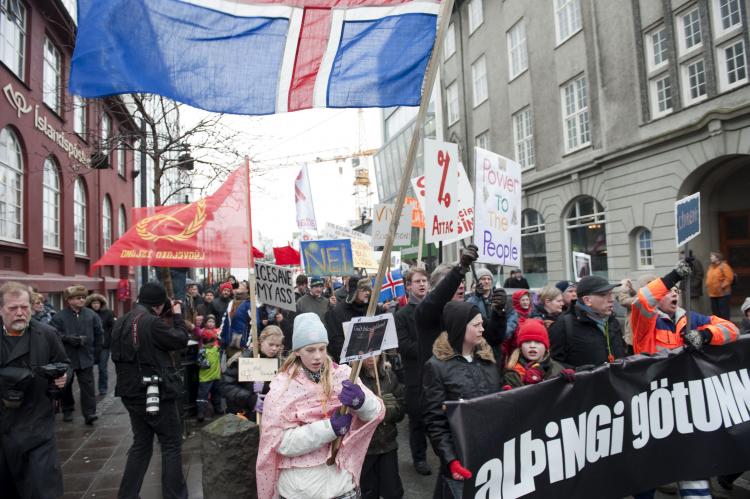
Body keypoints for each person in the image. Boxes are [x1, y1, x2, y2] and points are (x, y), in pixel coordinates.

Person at [630, 262, 739, 498]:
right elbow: (643, 300)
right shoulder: (645, 324)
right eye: (669, 291)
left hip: (687, 409)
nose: (674, 293)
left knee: (693, 471)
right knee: (648, 474)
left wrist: (706, 334)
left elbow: (732, 330)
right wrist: (673, 277)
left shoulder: (692, 319)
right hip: (654, 409)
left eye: (677, 290)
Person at [256, 313, 384, 499]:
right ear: (297, 351)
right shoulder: (282, 387)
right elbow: (280, 443)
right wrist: (329, 428)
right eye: (310, 350)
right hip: (301, 490)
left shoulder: (344, 374)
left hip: (341, 486)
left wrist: (361, 401)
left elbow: (376, 413)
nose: (318, 356)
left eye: (322, 349)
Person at [110, 282, 190, 499]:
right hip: (155, 392)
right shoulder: (151, 322)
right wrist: (177, 315)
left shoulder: (121, 321)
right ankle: (175, 495)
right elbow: (180, 339)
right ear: (159, 305)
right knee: (171, 444)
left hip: (129, 391)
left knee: (141, 444)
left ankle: (127, 495)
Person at [422, 302, 502, 499]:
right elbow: (435, 421)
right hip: (461, 457)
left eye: (482, 323)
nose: (482, 329)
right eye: (476, 324)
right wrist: (451, 461)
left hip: (492, 453)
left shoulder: (487, 358)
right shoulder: (436, 367)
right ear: (459, 326)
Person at [0, 282, 69, 499]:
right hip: (3, 427)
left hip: (37, 424)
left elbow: (64, 363)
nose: (20, 313)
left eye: (25, 307)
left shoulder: (47, 334)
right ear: (1, 309)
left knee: (44, 489)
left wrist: (64, 378)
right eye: (13, 308)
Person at [394, 267, 433, 476]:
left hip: (435, 373)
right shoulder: (401, 315)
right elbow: (405, 346)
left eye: (424, 280)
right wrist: (429, 345)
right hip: (415, 375)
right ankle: (419, 458)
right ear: (408, 286)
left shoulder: (436, 310)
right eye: (417, 281)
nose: (422, 284)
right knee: (417, 419)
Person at [549, 275, 626, 368]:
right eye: (604, 295)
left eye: (611, 293)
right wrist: (579, 373)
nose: (611, 299)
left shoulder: (612, 321)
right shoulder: (564, 325)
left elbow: (622, 353)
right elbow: (553, 364)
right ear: (587, 300)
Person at [51, 285, 102, 424]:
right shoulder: (59, 316)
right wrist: (67, 338)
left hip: (86, 357)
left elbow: (99, 334)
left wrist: (96, 353)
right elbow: (53, 335)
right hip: (66, 358)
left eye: (83, 298)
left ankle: (90, 413)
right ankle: (67, 409)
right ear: (69, 300)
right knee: (66, 385)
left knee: (88, 387)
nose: (82, 300)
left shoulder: (92, 315)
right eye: (78, 298)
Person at [359, 354, 406, 499]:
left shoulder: (389, 376)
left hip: (388, 445)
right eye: (365, 354)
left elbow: (402, 410)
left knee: (393, 491)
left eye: (374, 353)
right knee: (368, 491)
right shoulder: (354, 380)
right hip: (365, 449)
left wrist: (391, 411)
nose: (371, 358)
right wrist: (375, 407)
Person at [221, 325, 284, 417]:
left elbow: (283, 389)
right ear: (261, 341)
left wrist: (266, 387)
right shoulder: (243, 359)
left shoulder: (281, 364)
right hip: (242, 413)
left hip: (269, 415)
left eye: (277, 345)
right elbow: (226, 385)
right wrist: (250, 399)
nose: (274, 348)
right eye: (271, 344)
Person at [325, 276, 382, 361]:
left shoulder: (374, 309)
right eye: (363, 289)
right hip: (350, 366)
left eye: (368, 289)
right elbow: (336, 344)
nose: (367, 292)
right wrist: (356, 359)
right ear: (354, 291)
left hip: (373, 361)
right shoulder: (337, 313)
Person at [503, 319, 572, 388]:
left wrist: (566, 382)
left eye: (538, 342)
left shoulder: (558, 369)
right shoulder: (512, 372)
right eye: (527, 342)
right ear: (520, 347)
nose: (532, 346)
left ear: (546, 347)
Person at [86, 293, 116, 397]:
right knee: (88, 370)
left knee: (102, 368)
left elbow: (113, 328)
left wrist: (111, 341)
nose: (95, 305)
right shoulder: (86, 314)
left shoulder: (108, 313)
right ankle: (89, 389)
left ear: (101, 303)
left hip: (104, 345)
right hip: (90, 345)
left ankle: (103, 388)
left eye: (97, 303)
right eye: (93, 303)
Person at [196, 315, 223, 422]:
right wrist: (206, 363)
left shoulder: (216, 348)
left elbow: (222, 342)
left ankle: (218, 409)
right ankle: (200, 412)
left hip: (215, 377)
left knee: (217, 394)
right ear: (207, 341)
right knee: (202, 396)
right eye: (212, 341)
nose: (213, 343)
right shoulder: (203, 351)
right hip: (206, 378)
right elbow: (200, 362)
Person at [705, 251, 735, 320]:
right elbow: (709, 277)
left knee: (724, 313)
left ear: (717, 258)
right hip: (712, 294)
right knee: (715, 313)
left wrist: (722, 286)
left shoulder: (724, 266)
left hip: (723, 294)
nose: (710, 258)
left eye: (712, 256)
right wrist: (707, 284)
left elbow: (729, 277)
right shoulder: (711, 267)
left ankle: (726, 326)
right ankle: (717, 327)